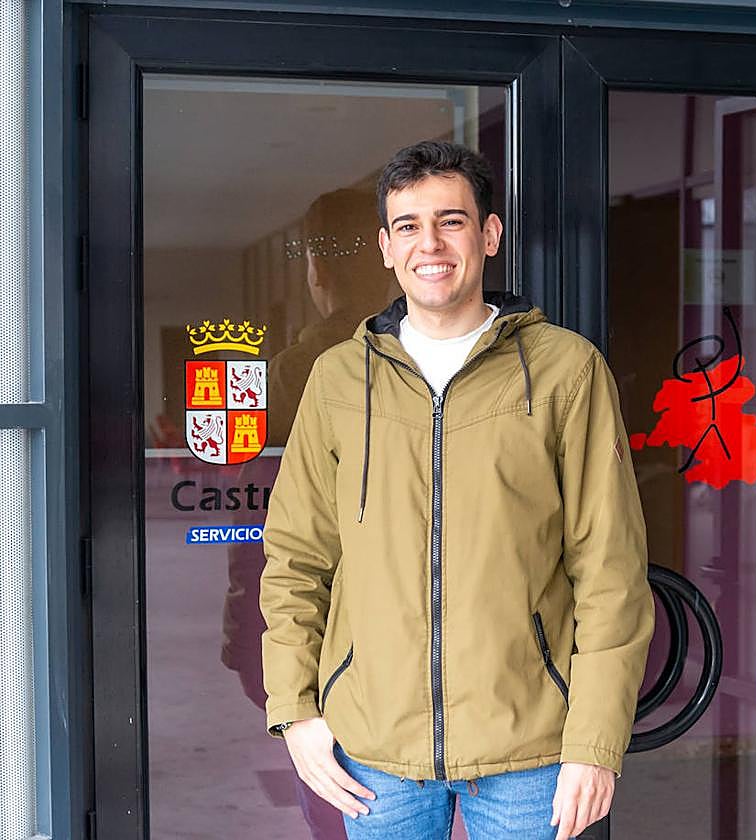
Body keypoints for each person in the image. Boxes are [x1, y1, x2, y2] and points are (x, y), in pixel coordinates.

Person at [259, 140, 655, 840]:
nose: (430, 244)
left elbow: (610, 572)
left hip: (531, 748)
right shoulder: (339, 377)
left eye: (451, 220)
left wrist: (595, 743)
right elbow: (297, 558)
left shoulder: (565, 370)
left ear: (489, 233)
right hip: (375, 750)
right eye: (409, 226)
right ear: (385, 247)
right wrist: (295, 709)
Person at [222, 187, 393, 839]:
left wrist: (245, 640)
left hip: (322, 630)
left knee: (334, 792)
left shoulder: (291, 373)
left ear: (316, 274)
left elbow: (263, 527)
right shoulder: (431, 358)